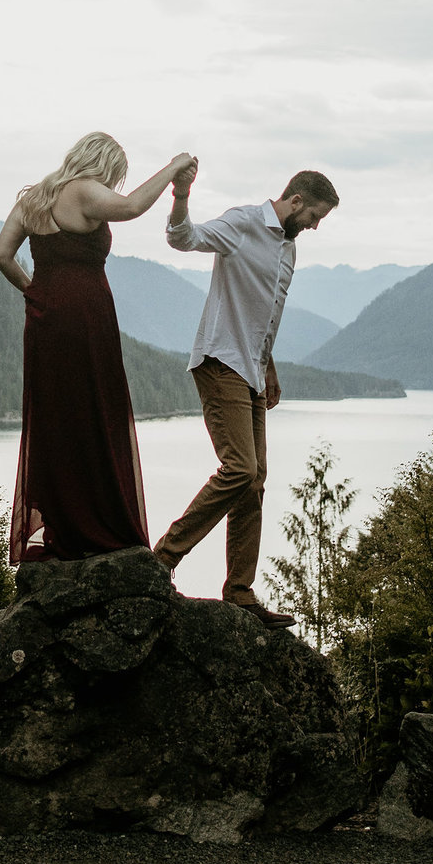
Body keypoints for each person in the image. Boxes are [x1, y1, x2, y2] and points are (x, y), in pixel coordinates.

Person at [0, 133, 194, 564]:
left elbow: (1, 255)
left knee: (56, 417)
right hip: (86, 318)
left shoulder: (35, 197)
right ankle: (98, 524)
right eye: (115, 174)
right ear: (103, 165)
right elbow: (133, 207)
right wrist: (174, 167)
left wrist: (35, 292)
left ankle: (62, 523)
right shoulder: (84, 191)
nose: (114, 184)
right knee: (93, 411)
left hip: (44, 319)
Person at [153, 163, 340, 626]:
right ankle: (162, 558)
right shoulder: (243, 223)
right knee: (240, 468)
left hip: (253, 370)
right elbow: (182, 237)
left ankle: (239, 592)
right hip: (221, 361)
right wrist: (181, 195)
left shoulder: (288, 248)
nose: (315, 226)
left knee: (254, 482)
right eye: (315, 216)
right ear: (296, 200)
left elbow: (266, 313)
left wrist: (268, 365)